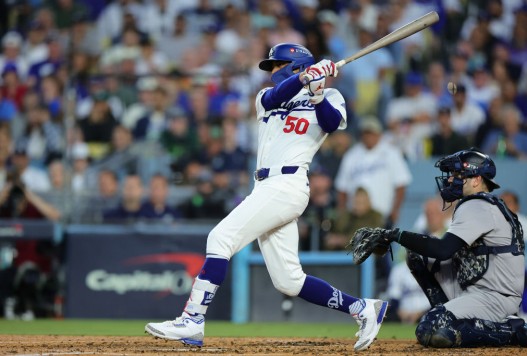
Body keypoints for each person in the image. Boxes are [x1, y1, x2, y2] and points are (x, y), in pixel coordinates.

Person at [145, 43, 388, 352]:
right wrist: (303, 80)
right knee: (288, 281)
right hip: (264, 186)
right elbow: (276, 95)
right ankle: (362, 309)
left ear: (295, 64)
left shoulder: (330, 97)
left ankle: (193, 319)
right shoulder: (266, 98)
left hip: (288, 185)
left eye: (277, 64)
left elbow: (329, 124)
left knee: (220, 238)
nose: (272, 70)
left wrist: (315, 92)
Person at [350, 148, 527, 348]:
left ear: (476, 180)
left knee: (431, 328)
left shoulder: (477, 205)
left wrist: (395, 235)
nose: (451, 179)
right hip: (480, 289)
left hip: (494, 296)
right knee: (417, 254)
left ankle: (513, 330)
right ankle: (448, 313)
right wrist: (399, 238)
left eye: (458, 175)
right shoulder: (483, 204)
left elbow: (443, 249)